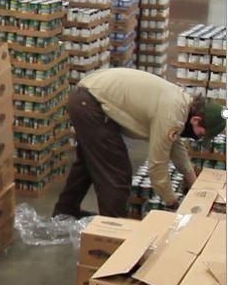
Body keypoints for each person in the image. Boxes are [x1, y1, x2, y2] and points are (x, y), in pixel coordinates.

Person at [53, 68, 226, 219]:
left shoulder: (183, 105)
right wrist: (172, 202)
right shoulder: (172, 114)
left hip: (89, 96)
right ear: (196, 120)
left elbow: (175, 146)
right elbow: (157, 165)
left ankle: (65, 212)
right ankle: (111, 230)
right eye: (202, 134)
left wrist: (192, 181)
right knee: (116, 172)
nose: (198, 138)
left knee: (88, 163)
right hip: (90, 104)